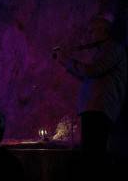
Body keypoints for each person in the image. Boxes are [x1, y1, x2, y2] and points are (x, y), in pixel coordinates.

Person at [55, 13, 127, 180]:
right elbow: (89, 75)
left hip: (99, 110)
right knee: (91, 156)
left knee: (93, 158)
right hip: (95, 109)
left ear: (103, 29)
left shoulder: (113, 48)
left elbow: (93, 70)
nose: (90, 34)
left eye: (93, 30)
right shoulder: (105, 50)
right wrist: (66, 63)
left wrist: (68, 61)